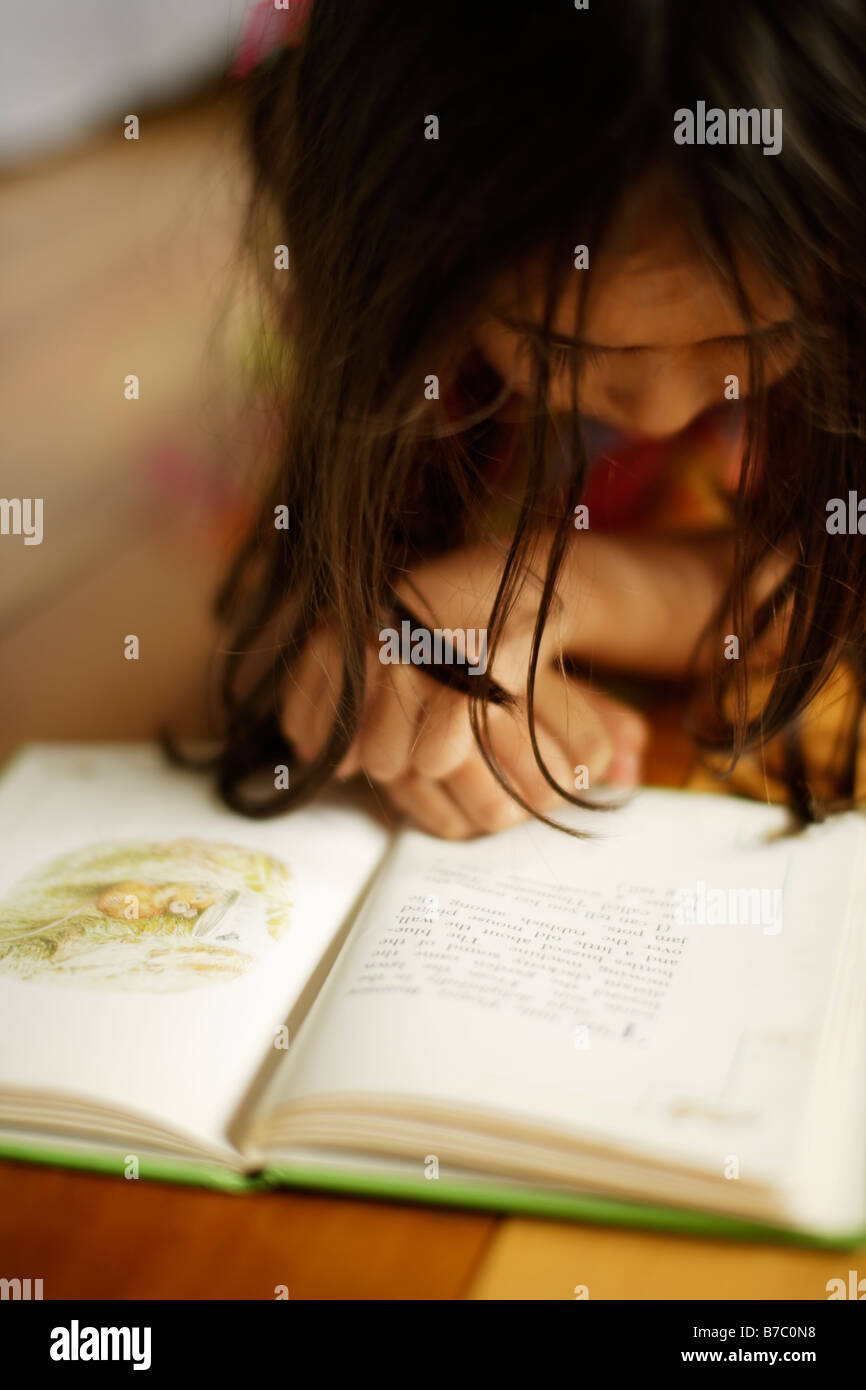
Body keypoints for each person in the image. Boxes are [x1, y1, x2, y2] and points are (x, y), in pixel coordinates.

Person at [210, 0, 866, 839]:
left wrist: (551, 590)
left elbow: (828, 579)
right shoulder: (392, 316)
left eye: (759, 336)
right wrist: (369, 662)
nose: (659, 411)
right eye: (558, 347)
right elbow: (293, 571)